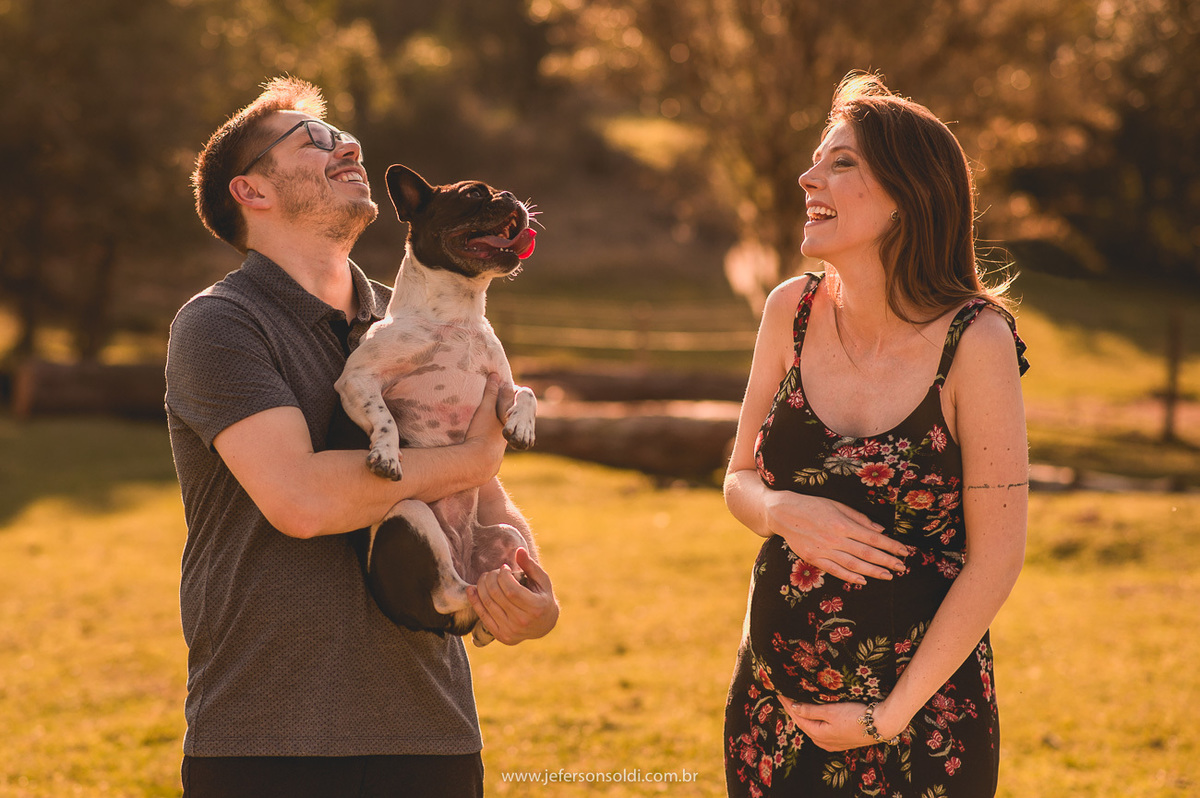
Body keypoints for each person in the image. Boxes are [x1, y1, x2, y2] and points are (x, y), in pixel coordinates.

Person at [166, 76, 558, 798]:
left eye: (344, 135)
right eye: (312, 141)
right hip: (271, 738)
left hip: (432, 726)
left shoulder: (411, 318)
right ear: (251, 191)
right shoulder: (222, 325)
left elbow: (480, 492)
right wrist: (471, 455)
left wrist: (528, 589)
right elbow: (302, 501)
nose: (346, 145)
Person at [722, 73, 1029, 797]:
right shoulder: (786, 311)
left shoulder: (975, 342)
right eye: (815, 159)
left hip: (921, 723)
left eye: (841, 162)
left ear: (908, 193)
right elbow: (738, 477)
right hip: (772, 715)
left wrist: (888, 715)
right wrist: (779, 511)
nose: (807, 177)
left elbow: (996, 561)